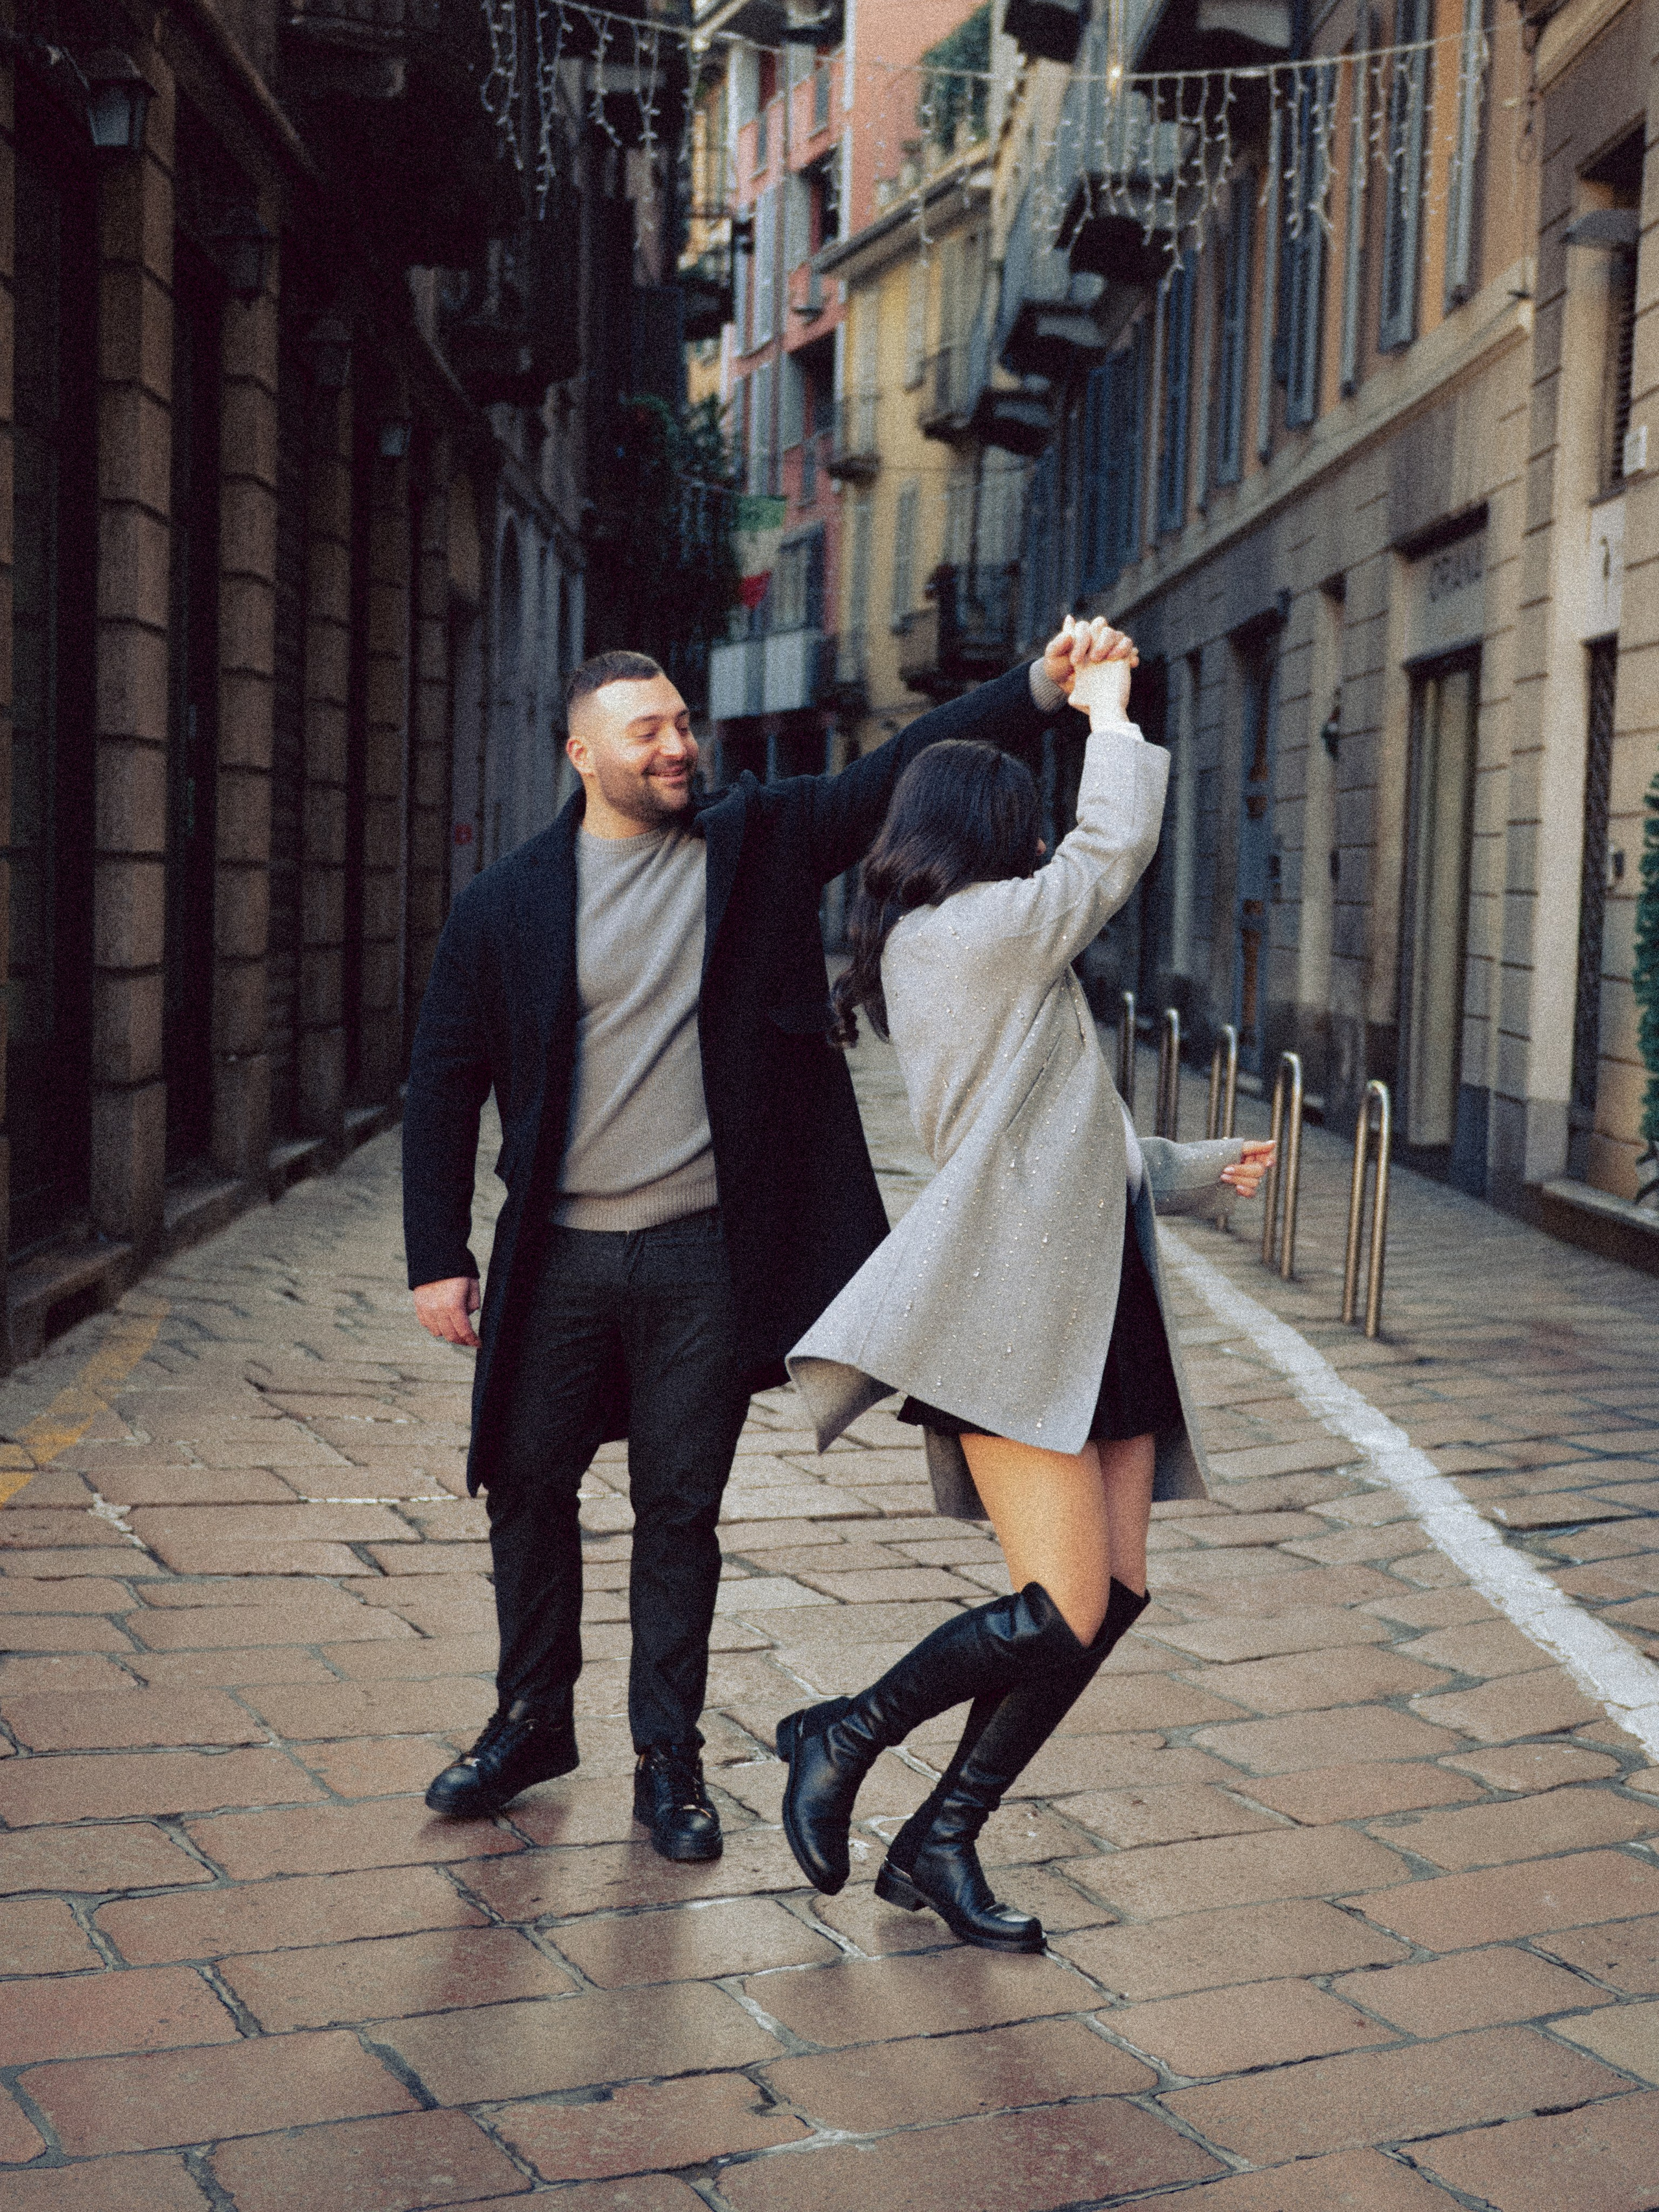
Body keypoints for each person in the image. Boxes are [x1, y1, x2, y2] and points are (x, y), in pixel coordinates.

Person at [401, 627, 1127, 1861]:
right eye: (651, 731)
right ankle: (531, 1719)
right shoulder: (505, 904)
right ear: (585, 753)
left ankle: (667, 1758)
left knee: (681, 1506)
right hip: (558, 1256)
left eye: (684, 722)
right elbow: (441, 1080)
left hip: (703, 1255)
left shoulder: (757, 840)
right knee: (525, 1483)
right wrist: (437, 1251)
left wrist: (1048, 688)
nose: (681, 744)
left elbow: (892, 768)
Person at [780, 619, 1273, 1948]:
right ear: (991, 831)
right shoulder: (961, 934)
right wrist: (1105, 714)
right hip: (1008, 1314)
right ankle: (845, 1731)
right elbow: (1107, 856)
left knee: (1107, 1597)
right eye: (1028, 822)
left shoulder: (988, 949)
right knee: (1059, 1602)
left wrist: (1190, 1170)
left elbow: (1062, 1132)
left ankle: (939, 1841)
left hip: (1087, 1297)